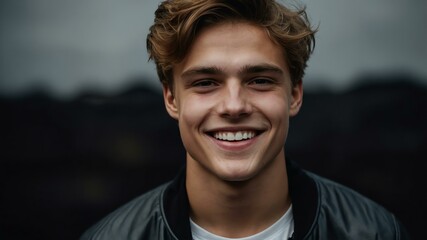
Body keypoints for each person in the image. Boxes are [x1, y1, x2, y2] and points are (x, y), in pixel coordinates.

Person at [81, 0, 410, 239]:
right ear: (171, 99)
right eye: (206, 83)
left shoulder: (376, 232)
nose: (234, 106)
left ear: (294, 95)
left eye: (260, 80)